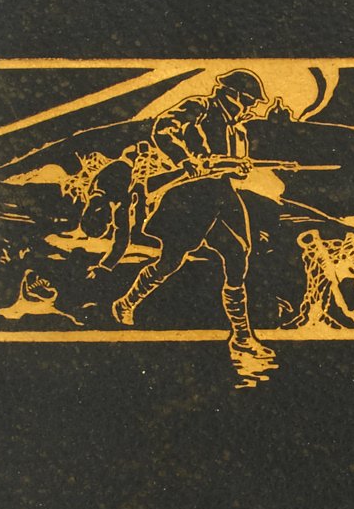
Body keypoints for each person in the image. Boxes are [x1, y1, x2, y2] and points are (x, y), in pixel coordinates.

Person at [111, 69, 274, 362]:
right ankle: (126, 302)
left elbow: (232, 168)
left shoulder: (238, 129)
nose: (250, 107)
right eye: (249, 100)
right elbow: (163, 129)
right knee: (171, 261)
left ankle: (241, 336)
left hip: (222, 194)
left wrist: (239, 168)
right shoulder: (201, 106)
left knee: (238, 254)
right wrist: (185, 159)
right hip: (192, 196)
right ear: (234, 94)